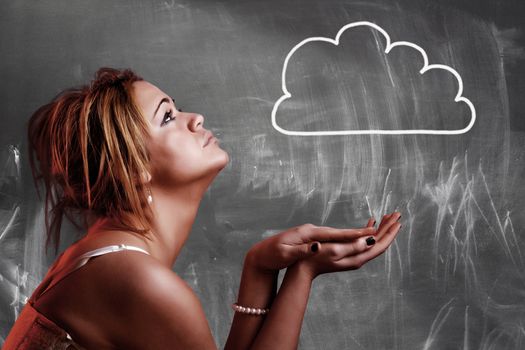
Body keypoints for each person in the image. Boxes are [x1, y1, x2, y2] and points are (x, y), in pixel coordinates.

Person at [3, 68, 401, 350]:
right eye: (169, 117)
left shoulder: (101, 257)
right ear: (135, 168)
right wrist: (304, 273)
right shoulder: (138, 282)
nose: (195, 119)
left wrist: (262, 269)